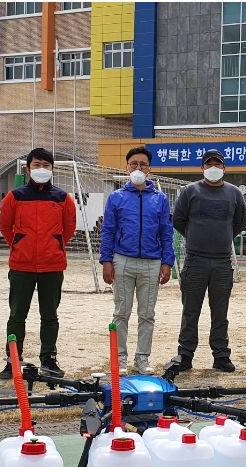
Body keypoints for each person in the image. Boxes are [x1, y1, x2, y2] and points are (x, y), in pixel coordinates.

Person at [0, 148, 77, 380]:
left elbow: (68, 229)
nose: (41, 169)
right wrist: (19, 244)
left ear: (52, 169)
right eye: (36, 165)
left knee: (50, 316)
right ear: (27, 168)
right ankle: (13, 359)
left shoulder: (63, 198)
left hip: (52, 265)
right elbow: (5, 227)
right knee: (16, 315)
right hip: (21, 266)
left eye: (46, 165)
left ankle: (49, 358)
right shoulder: (15, 197)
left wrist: (54, 245)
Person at [166, 150, 246, 373]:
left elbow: (239, 223)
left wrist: (222, 237)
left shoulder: (234, 193)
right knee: (190, 311)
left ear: (224, 168)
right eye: (208, 164)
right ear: (202, 168)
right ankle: (185, 354)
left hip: (222, 262)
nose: (213, 168)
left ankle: (221, 355)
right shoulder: (190, 191)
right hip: (195, 260)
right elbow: (179, 220)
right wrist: (195, 237)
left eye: (217, 164)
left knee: (220, 312)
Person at [100, 146, 176, 375]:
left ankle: (142, 357)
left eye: (143, 164)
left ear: (149, 169)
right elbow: (108, 230)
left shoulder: (160, 199)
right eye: (134, 164)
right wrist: (106, 260)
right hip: (122, 259)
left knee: (147, 314)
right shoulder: (116, 197)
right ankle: (120, 357)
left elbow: (166, 232)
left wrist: (167, 262)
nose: (138, 168)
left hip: (152, 262)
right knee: (121, 312)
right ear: (127, 168)